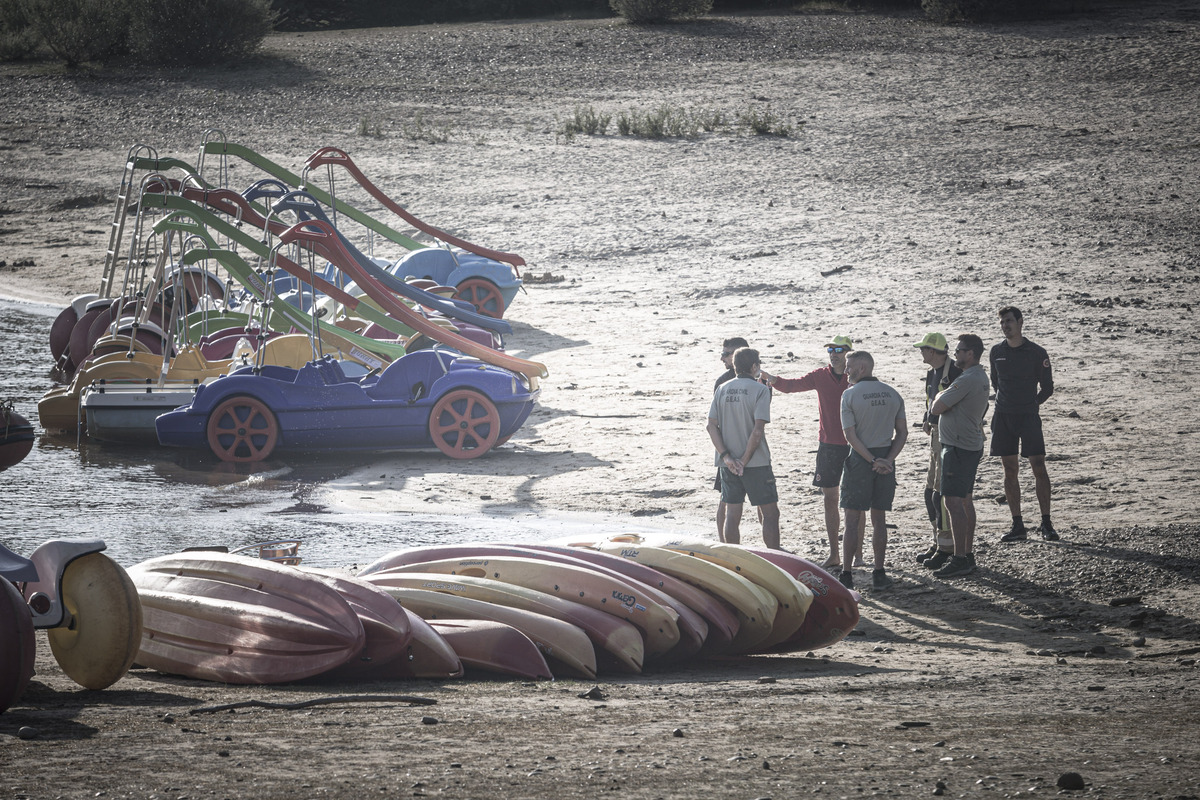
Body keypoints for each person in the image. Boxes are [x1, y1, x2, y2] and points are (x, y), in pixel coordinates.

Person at [760, 335, 859, 568]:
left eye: (838, 349)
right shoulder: (820, 375)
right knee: (830, 498)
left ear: (848, 353)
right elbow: (791, 386)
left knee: (855, 501)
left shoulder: (857, 377)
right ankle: (835, 554)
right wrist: (770, 377)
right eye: (830, 350)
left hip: (856, 444)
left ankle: (858, 555)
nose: (833, 353)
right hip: (829, 445)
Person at [838, 351, 908, 590]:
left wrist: (871, 460)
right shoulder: (892, 393)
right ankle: (879, 572)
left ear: (861, 368)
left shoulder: (849, 395)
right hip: (885, 458)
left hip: (861, 460)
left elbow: (850, 436)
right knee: (879, 519)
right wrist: (887, 460)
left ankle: (846, 573)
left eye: (849, 367)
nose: (845, 371)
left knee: (851, 519)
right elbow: (903, 433)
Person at [989, 306, 1058, 542]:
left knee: (1038, 465)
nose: (1005, 325)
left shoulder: (1037, 353)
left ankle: (1046, 523)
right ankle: (1017, 525)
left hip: (1028, 417)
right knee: (1009, 469)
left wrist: (1032, 404)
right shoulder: (996, 351)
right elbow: (996, 383)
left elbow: (1047, 388)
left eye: (1009, 321)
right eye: (1002, 322)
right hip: (1003, 416)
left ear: (1020, 322)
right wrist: (1008, 403)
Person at [929, 334, 991, 578]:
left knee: (952, 502)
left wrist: (941, 398)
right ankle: (966, 553)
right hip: (967, 444)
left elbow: (936, 407)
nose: (955, 354)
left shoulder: (968, 379)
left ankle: (960, 557)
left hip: (958, 447)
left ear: (971, 354)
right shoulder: (977, 376)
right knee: (964, 500)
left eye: (959, 350)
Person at [707, 347, 780, 549]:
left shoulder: (722, 388)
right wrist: (744, 461)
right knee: (771, 514)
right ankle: (775, 559)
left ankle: (733, 560)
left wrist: (727, 458)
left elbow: (711, 425)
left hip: (728, 464)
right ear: (754, 366)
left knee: (732, 513)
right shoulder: (761, 390)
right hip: (756, 463)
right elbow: (757, 430)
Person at [912, 333, 962, 571]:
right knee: (929, 492)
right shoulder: (933, 373)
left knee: (940, 495)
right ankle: (937, 541)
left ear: (933, 351)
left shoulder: (954, 373)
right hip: (935, 435)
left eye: (923, 348)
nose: (921, 352)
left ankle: (947, 547)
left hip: (950, 437)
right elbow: (931, 399)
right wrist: (927, 418)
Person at [713, 337, 749, 538]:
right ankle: (722, 545)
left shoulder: (758, 379)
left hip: (753, 449)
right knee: (725, 499)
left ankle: (772, 549)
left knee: (764, 503)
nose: (722, 358)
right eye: (722, 353)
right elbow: (714, 421)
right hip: (727, 449)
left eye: (726, 354)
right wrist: (724, 453)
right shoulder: (721, 382)